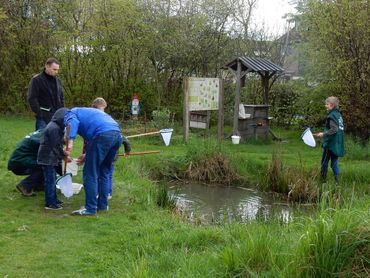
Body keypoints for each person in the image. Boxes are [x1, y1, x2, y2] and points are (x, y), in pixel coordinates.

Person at [64, 107, 123, 216]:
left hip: (102, 135)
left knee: (90, 173)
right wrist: (87, 155)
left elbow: (72, 124)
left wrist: (69, 143)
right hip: (117, 135)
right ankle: (103, 206)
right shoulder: (89, 112)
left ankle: (90, 208)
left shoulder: (70, 113)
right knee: (104, 171)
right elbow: (102, 138)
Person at [89, 97, 131, 199]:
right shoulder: (97, 119)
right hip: (101, 152)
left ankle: (107, 193)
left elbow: (123, 139)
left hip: (110, 155)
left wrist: (127, 151)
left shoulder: (108, 121)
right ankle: (104, 193)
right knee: (104, 173)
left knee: (105, 173)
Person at [37, 108, 69, 210]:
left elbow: (60, 141)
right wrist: (63, 156)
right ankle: (50, 203)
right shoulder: (53, 128)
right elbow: (55, 145)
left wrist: (66, 138)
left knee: (53, 179)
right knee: (50, 180)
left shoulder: (56, 126)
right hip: (47, 158)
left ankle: (54, 199)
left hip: (51, 157)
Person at [314, 96, 345, 183]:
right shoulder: (338, 115)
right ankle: (338, 183)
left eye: (327, 104)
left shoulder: (331, 115)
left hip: (330, 144)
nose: (325, 106)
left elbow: (334, 129)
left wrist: (323, 134)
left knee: (324, 163)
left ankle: (322, 181)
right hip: (337, 144)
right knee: (334, 164)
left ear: (331, 105)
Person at [28, 58, 64, 130]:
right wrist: (39, 114)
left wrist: (61, 113)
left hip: (56, 118)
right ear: (47, 66)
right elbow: (32, 98)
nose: (56, 72)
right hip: (43, 119)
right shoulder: (36, 80)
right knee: (41, 140)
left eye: (57, 70)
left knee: (55, 139)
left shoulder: (58, 81)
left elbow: (61, 98)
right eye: (54, 69)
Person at [8, 130, 45, 196]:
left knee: (44, 164)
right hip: (20, 163)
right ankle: (25, 186)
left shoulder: (43, 132)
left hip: (19, 160)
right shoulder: (42, 138)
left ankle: (38, 186)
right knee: (45, 166)